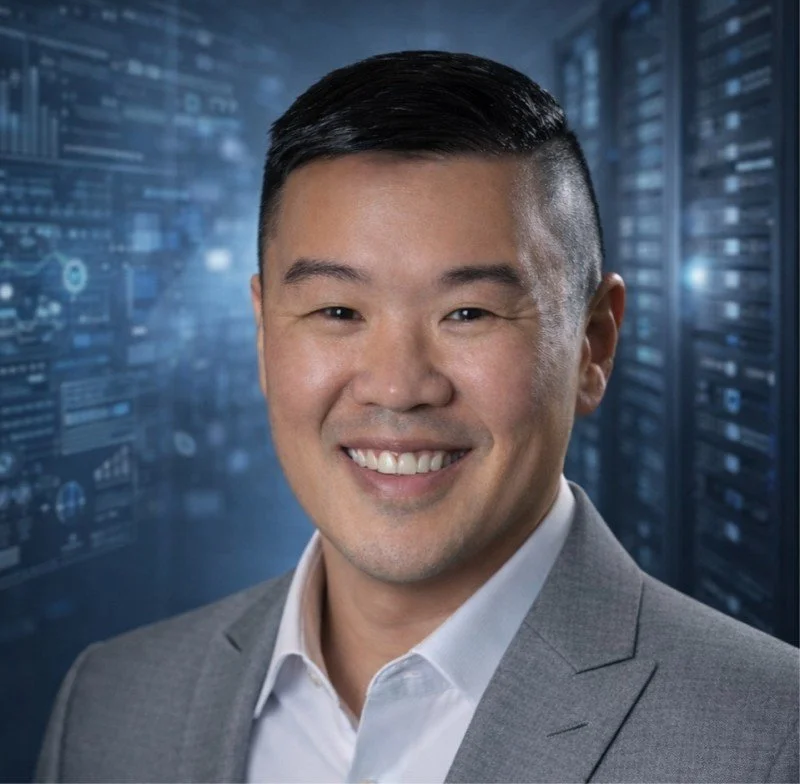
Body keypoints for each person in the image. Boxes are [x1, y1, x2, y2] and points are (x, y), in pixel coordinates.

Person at [36, 50, 797, 784]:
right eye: (338, 310)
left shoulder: (770, 737)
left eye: (468, 312)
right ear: (264, 335)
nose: (398, 388)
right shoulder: (109, 705)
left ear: (593, 346)